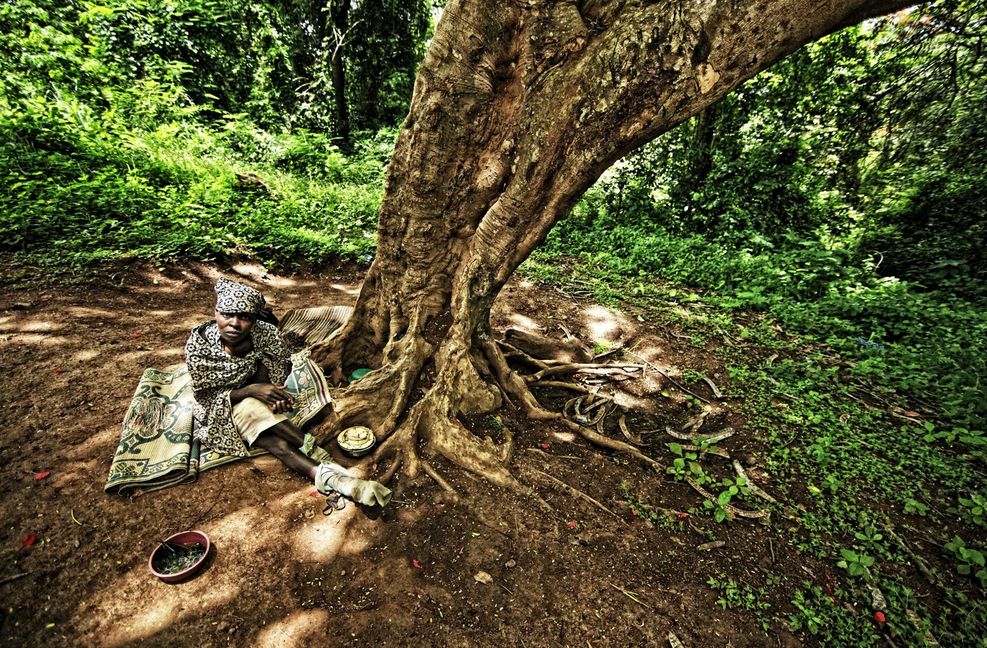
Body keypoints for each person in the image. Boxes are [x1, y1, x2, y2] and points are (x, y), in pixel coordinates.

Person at [184, 277, 390, 507]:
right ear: (216, 312)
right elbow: (206, 396)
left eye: (244, 317)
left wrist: (271, 395)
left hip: (254, 399)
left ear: (254, 319)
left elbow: (273, 370)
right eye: (227, 315)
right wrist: (252, 391)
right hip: (220, 406)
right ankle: (317, 453)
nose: (234, 324)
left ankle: (340, 482)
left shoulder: (265, 335)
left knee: (277, 445)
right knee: (253, 409)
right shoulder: (199, 346)